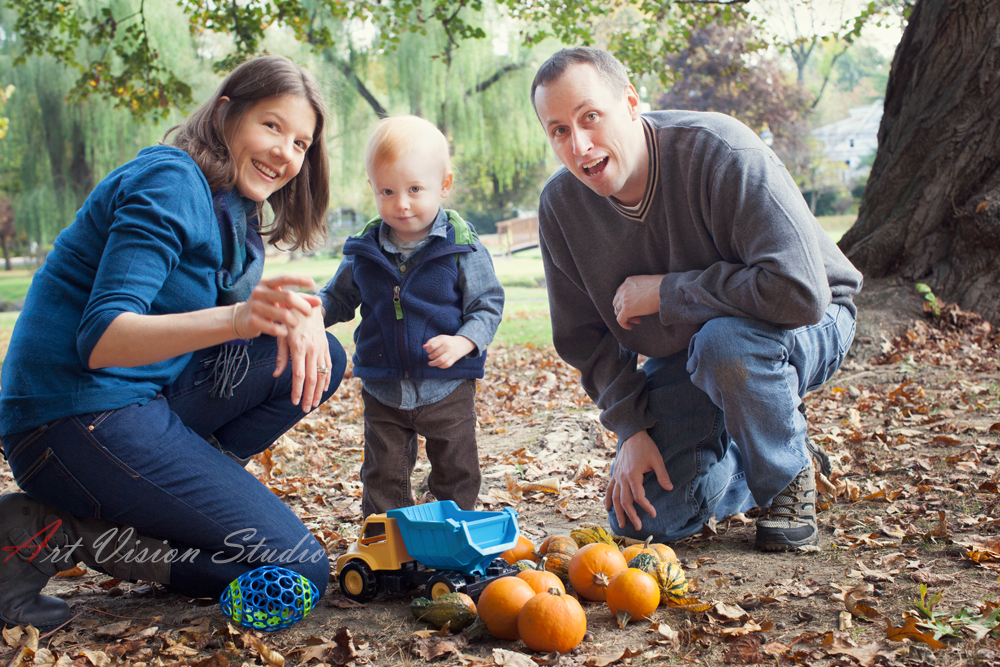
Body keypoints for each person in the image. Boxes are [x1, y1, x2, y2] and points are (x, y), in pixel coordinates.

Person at [0, 55, 347, 631]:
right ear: (225, 113)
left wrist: (302, 313)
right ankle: (59, 534)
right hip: (66, 418)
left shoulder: (235, 217)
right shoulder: (170, 178)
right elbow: (103, 339)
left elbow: (222, 316)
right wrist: (240, 318)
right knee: (297, 569)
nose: (286, 152)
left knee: (324, 356)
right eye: (272, 126)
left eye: (302, 143)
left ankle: (174, 491)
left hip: (135, 403)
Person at [530, 47, 863, 551]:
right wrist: (632, 429)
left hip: (809, 319)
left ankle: (787, 479)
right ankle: (765, 451)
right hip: (689, 351)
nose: (579, 144)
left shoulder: (723, 153)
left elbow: (799, 291)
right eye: (559, 130)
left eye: (590, 117)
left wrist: (668, 292)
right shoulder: (561, 207)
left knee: (726, 344)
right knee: (644, 521)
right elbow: (585, 340)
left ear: (631, 101)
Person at [318, 115, 503, 517]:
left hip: (447, 385)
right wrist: (311, 314)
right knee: (383, 472)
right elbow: (338, 298)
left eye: (415, 189)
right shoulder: (364, 250)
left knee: (455, 468)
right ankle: (387, 543)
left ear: (444, 185)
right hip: (383, 386)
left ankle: (454, 532)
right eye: (387, 191)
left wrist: (464, 341)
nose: (401, 203)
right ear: (373, 188)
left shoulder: (462, 247)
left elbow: (487, 304)